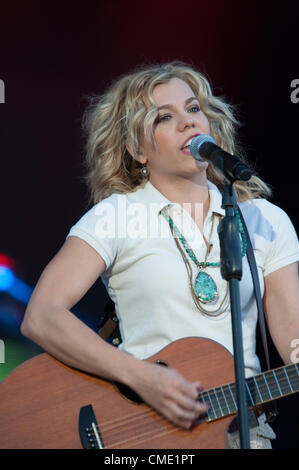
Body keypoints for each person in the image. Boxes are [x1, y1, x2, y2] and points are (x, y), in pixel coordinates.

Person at [21, 62, 299, 449]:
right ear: (137, 150)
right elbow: (42, 316)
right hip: (145, 437)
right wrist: (141, 377)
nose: (188, 123)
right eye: (165, 117)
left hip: (242, 434)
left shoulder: (264, 219)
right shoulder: (118, 215)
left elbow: (293, 341)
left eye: (194, 109)